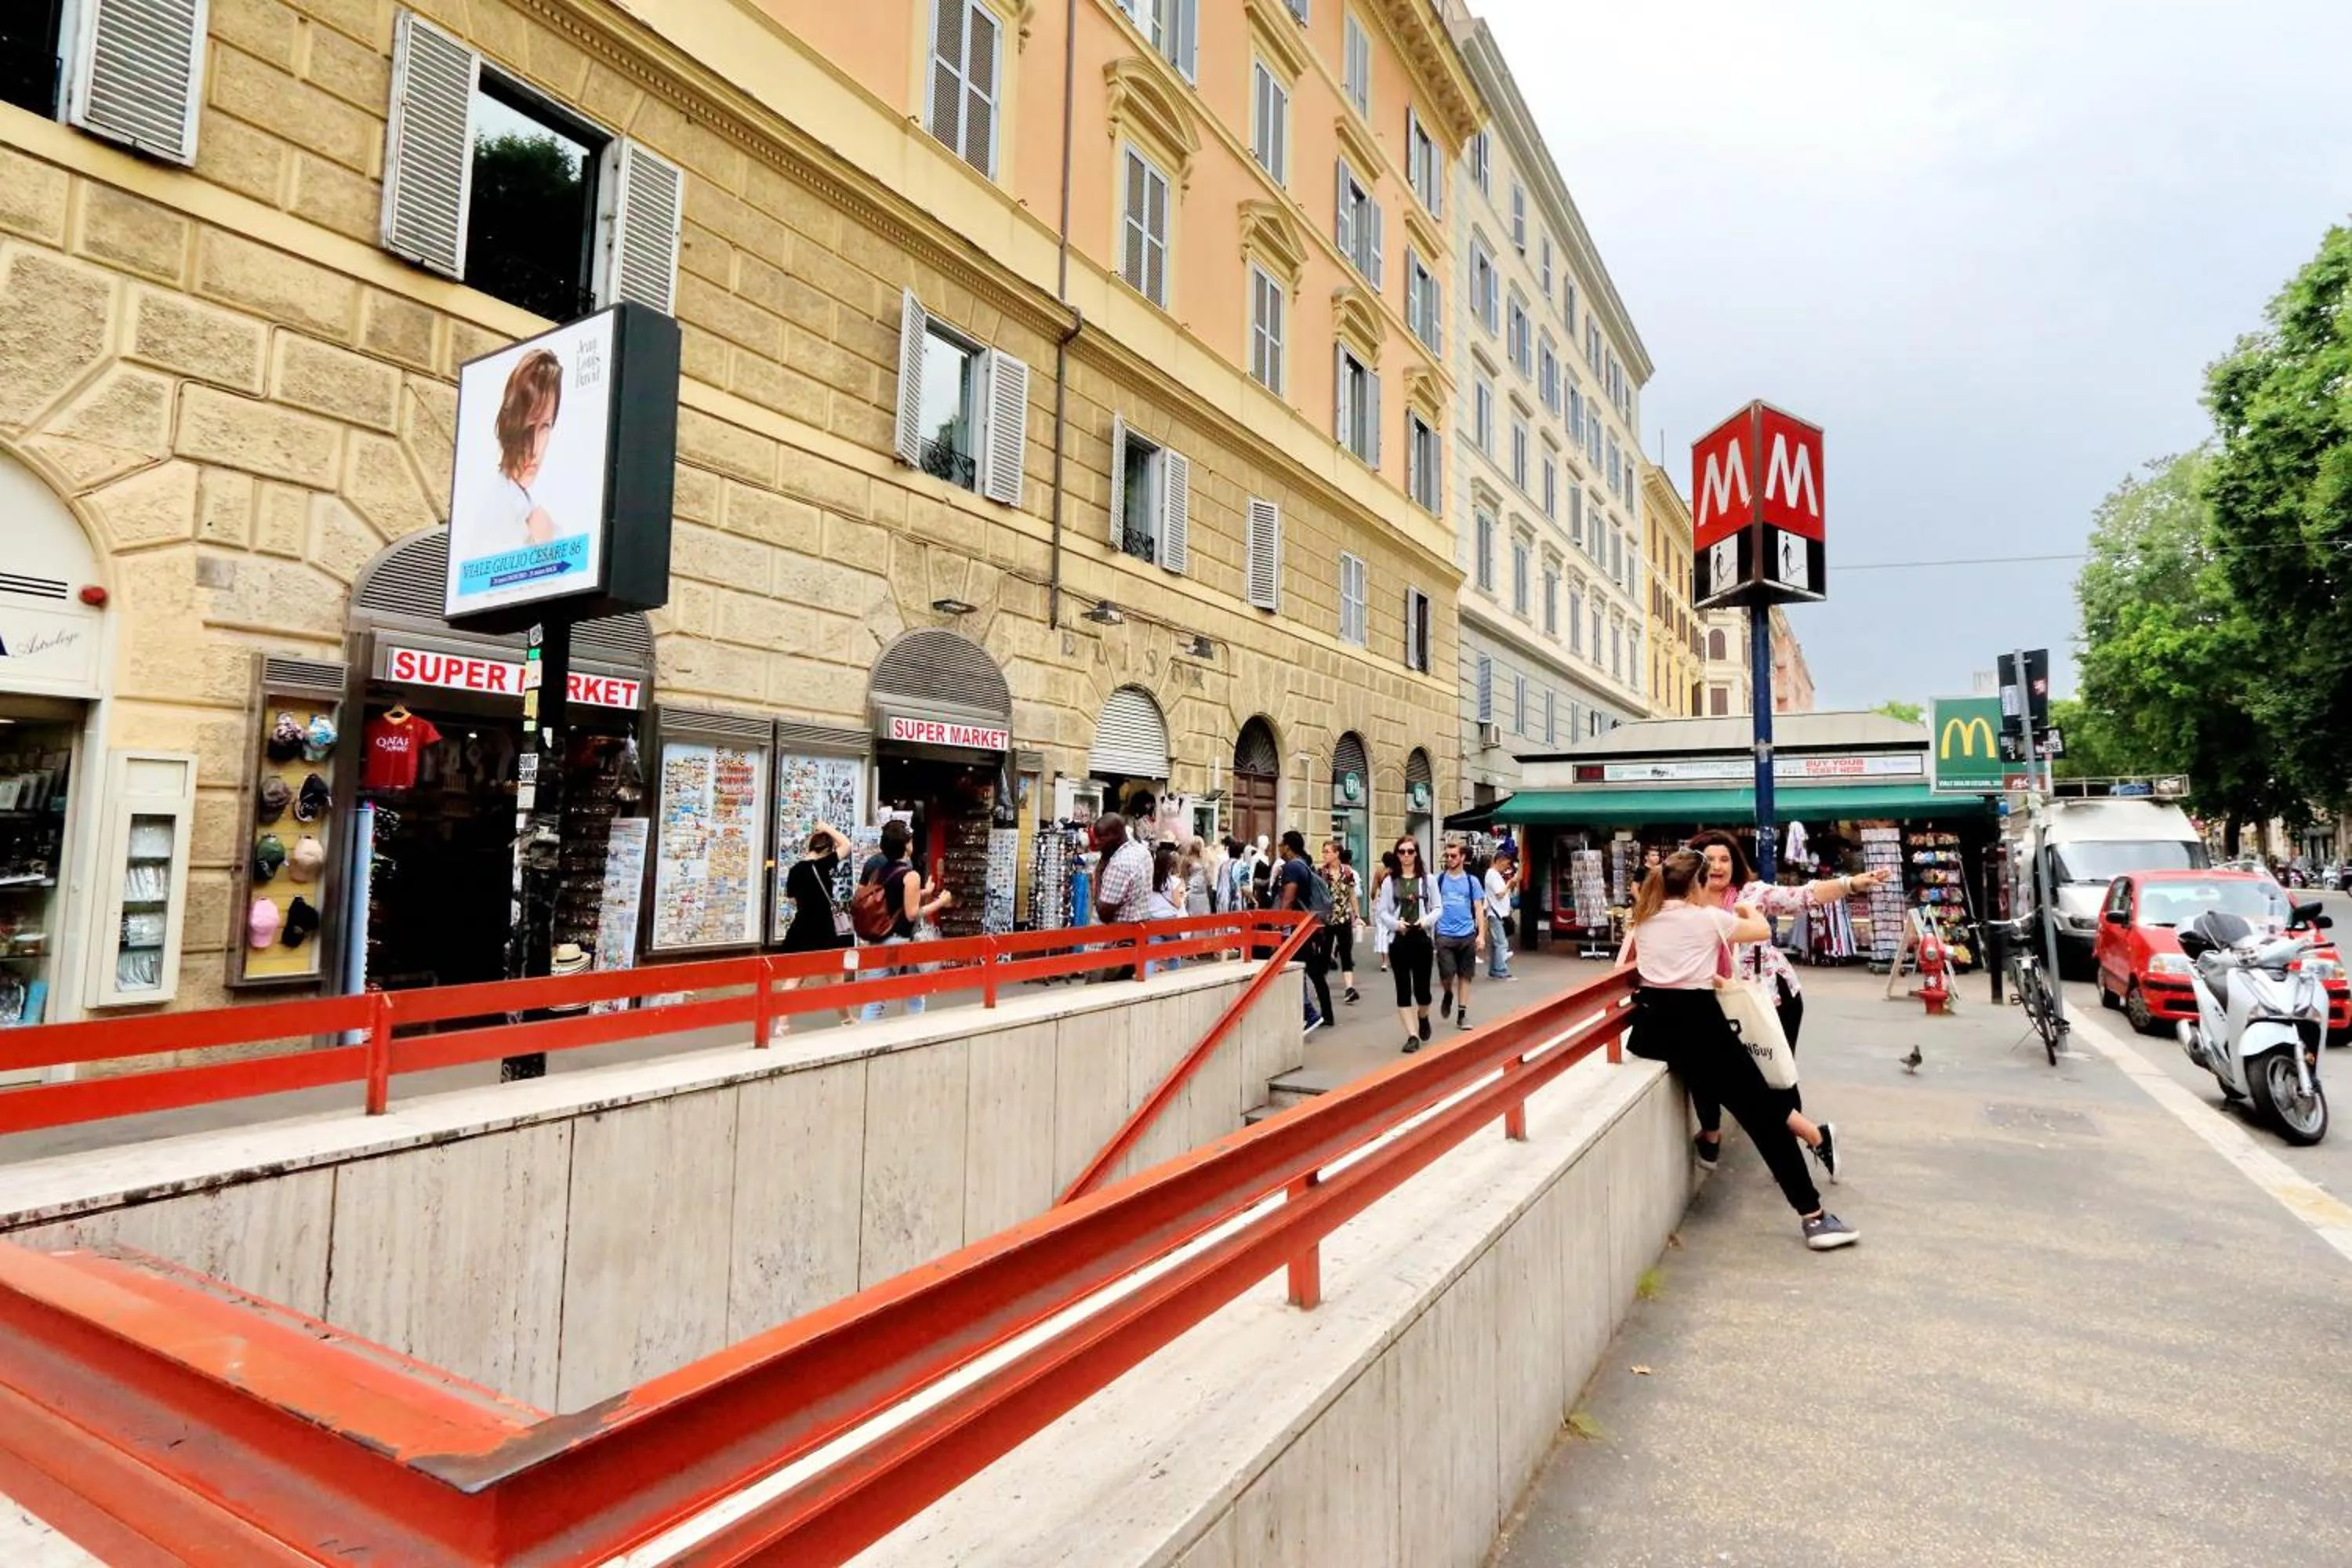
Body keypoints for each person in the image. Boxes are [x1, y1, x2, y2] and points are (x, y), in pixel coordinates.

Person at [1622, 851, 1858, 1250]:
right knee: (1762, 1116)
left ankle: (1723, 1139)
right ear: (1697, 885)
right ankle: (1814, 1216)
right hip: (1701, 1026)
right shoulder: (1707, 918)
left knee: (1748, 1098)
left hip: (1656, 1030)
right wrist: (1748, 907)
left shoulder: (1644, 919)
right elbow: (1761, 931)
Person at [1684, 829, 1893, 1181]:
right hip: (1720, 1004)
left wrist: (1851, 884)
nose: (1717, 867)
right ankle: (1719, 1134)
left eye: (1725, 859)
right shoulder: (1686, 903)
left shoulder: (1751, 894)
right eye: (1709, 860)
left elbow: (1801, 896)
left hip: (1773, 999)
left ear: (1736, 864)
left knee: (1775, 1077)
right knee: (1711, 1067)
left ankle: (1797, 1147)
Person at [857, 820, 953, 1023]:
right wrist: (940, 901)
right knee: (915, 994)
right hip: (902, 941)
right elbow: (912, 913)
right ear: (907, 845)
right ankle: (915, 1032)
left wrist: (924, 892)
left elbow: (893, 897)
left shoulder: (880, 871)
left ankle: (862, 1040)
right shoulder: (910, 875)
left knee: (875, 1000)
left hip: (880, 939)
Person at [482, 347, 566, 546]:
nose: (535, 449)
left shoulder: (540, 519)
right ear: (509, 425)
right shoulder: (490, 511)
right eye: (529, 428)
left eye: (545, 426)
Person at [780, 821, 854, 1028]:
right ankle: (846, 1019)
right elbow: (846, 845)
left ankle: (781, 1024)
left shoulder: (795, 870)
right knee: (835, 978)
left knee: (794, 979)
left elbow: (792, 900)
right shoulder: (823, 865)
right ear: (828, 850)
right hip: (824, 929)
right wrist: (826, 827)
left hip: (801, 928)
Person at [1375, 837, 1439, 1051]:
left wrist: (1426, 921)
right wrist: (1395, 924)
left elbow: (1438, 908)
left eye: (1410, 851)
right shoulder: (1389, 881)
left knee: (1423, 991)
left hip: (1421, 937)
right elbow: (1381, 911)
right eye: (1401, 852)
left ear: (1417, 854)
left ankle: (1423, 1016)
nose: (1406, 856)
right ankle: (1412, 1036)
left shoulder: (1428, 880)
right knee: (1403, 989)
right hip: (1399, 939)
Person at [1274, 829, 1334, 1032]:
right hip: (1306, 927)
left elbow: (1288, 899)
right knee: (1306, 969)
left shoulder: (1292, 867)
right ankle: (1314, 1014)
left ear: (1288, 847)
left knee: (1292, 968)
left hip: (1294, 928)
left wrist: (1279, 923)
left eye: (1281, 844)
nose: (1279, 847)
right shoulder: (1303, 865)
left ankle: (1310, 1014)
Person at [1432, 840, 1486, 1030]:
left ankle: (1462, 1015)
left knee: (1465, 975)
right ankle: (1448, 992)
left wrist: (1481, 935)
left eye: (1453, 856)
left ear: (1463, 857)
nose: (1449, 859)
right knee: (1447, 974)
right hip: (1444, 935)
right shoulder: (1438, 880)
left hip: (1467, 934)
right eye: (1447, 856)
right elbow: (1431, 907)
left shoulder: (1472, 882)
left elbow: (1479, 909)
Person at [1483, 847, 1519, 981]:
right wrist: (1510, 883)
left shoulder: (1494, 874)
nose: (1507, 867)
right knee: (1501, 943)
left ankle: (1495, 969)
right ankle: (1500, 970)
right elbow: (1499, 894)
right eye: (1506, 863)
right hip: (1496, 914)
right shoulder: (1492, 874)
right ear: (1500, 861)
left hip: (1497, 913)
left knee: (1496, 944)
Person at [1370, 850, 1398, 973]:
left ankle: (1384, 962)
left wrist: (1373, 899)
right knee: (1394, 929)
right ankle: (1394, 958)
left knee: (1381, 931)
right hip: (1396, 902)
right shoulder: (1397, 872)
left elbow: (1373, 890)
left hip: (1383, 901)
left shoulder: (1379, 872)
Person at [1182, 837, 1213, 916]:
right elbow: (1184, 875)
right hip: (1192, 890)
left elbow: (1208, 876)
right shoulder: (1188, 859)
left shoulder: (1204, 858)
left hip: (1202, 890)